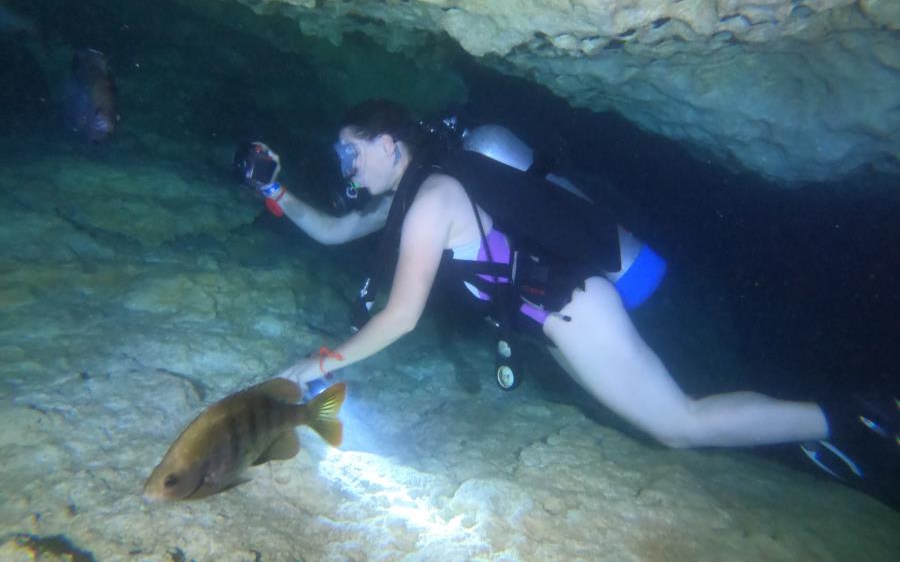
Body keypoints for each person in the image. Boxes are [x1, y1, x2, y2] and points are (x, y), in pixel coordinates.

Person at [237, 99, 898, 506]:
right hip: (560, 309)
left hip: (572, 303)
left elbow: (402, 315)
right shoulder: (418, 196)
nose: (346, 166)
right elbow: (333, 228)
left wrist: (320, 362)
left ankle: (846, 417)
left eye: (351, 150)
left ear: (390, 144)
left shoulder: (432, 198)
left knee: (680, 423)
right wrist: (276, 191)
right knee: (675, 420)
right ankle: (824, 422)